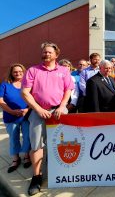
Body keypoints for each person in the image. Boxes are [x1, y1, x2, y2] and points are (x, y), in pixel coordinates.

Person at [22, 42, 74, 196]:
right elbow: (25, 92)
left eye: (49, 52)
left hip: (59, 109)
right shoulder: (33, 70)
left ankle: (59, 171)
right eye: (44, 52)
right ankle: (37, 176)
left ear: (56, 55)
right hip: (38, 110)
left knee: (62, 142)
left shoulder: (64, 70)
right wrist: (38, 109)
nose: (46, 54)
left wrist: (62, 106)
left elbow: (68, 90)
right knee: (37, 144)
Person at [0, 64, 31, 173]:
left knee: (27, 137)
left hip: (26, 116)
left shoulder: (28, 84)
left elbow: (35, 98)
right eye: (15, 72)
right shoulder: (5, 85)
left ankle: (27, 156)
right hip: (10, 116)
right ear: (11, 73)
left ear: (24, 72)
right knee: (14, 138)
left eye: (20, 71)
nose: (18, 73)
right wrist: (12, 111)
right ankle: (15, 158)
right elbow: (1, 101)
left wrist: (27, 110)